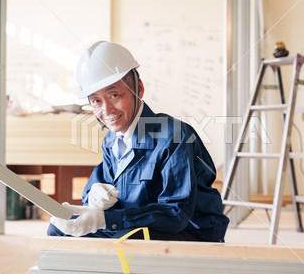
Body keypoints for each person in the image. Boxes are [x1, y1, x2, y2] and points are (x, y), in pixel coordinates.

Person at [48, 41, 229, 242]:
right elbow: (101, 185)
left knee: (128, 238)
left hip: (187, 231)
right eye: (96, 101)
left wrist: (104, 220)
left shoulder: (175, 136)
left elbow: (176, 214)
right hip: (136, 225)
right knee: (59, 229)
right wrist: (93, 197)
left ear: (139, 89)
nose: (106, 111)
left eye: (114, 95)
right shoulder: (112, 139)